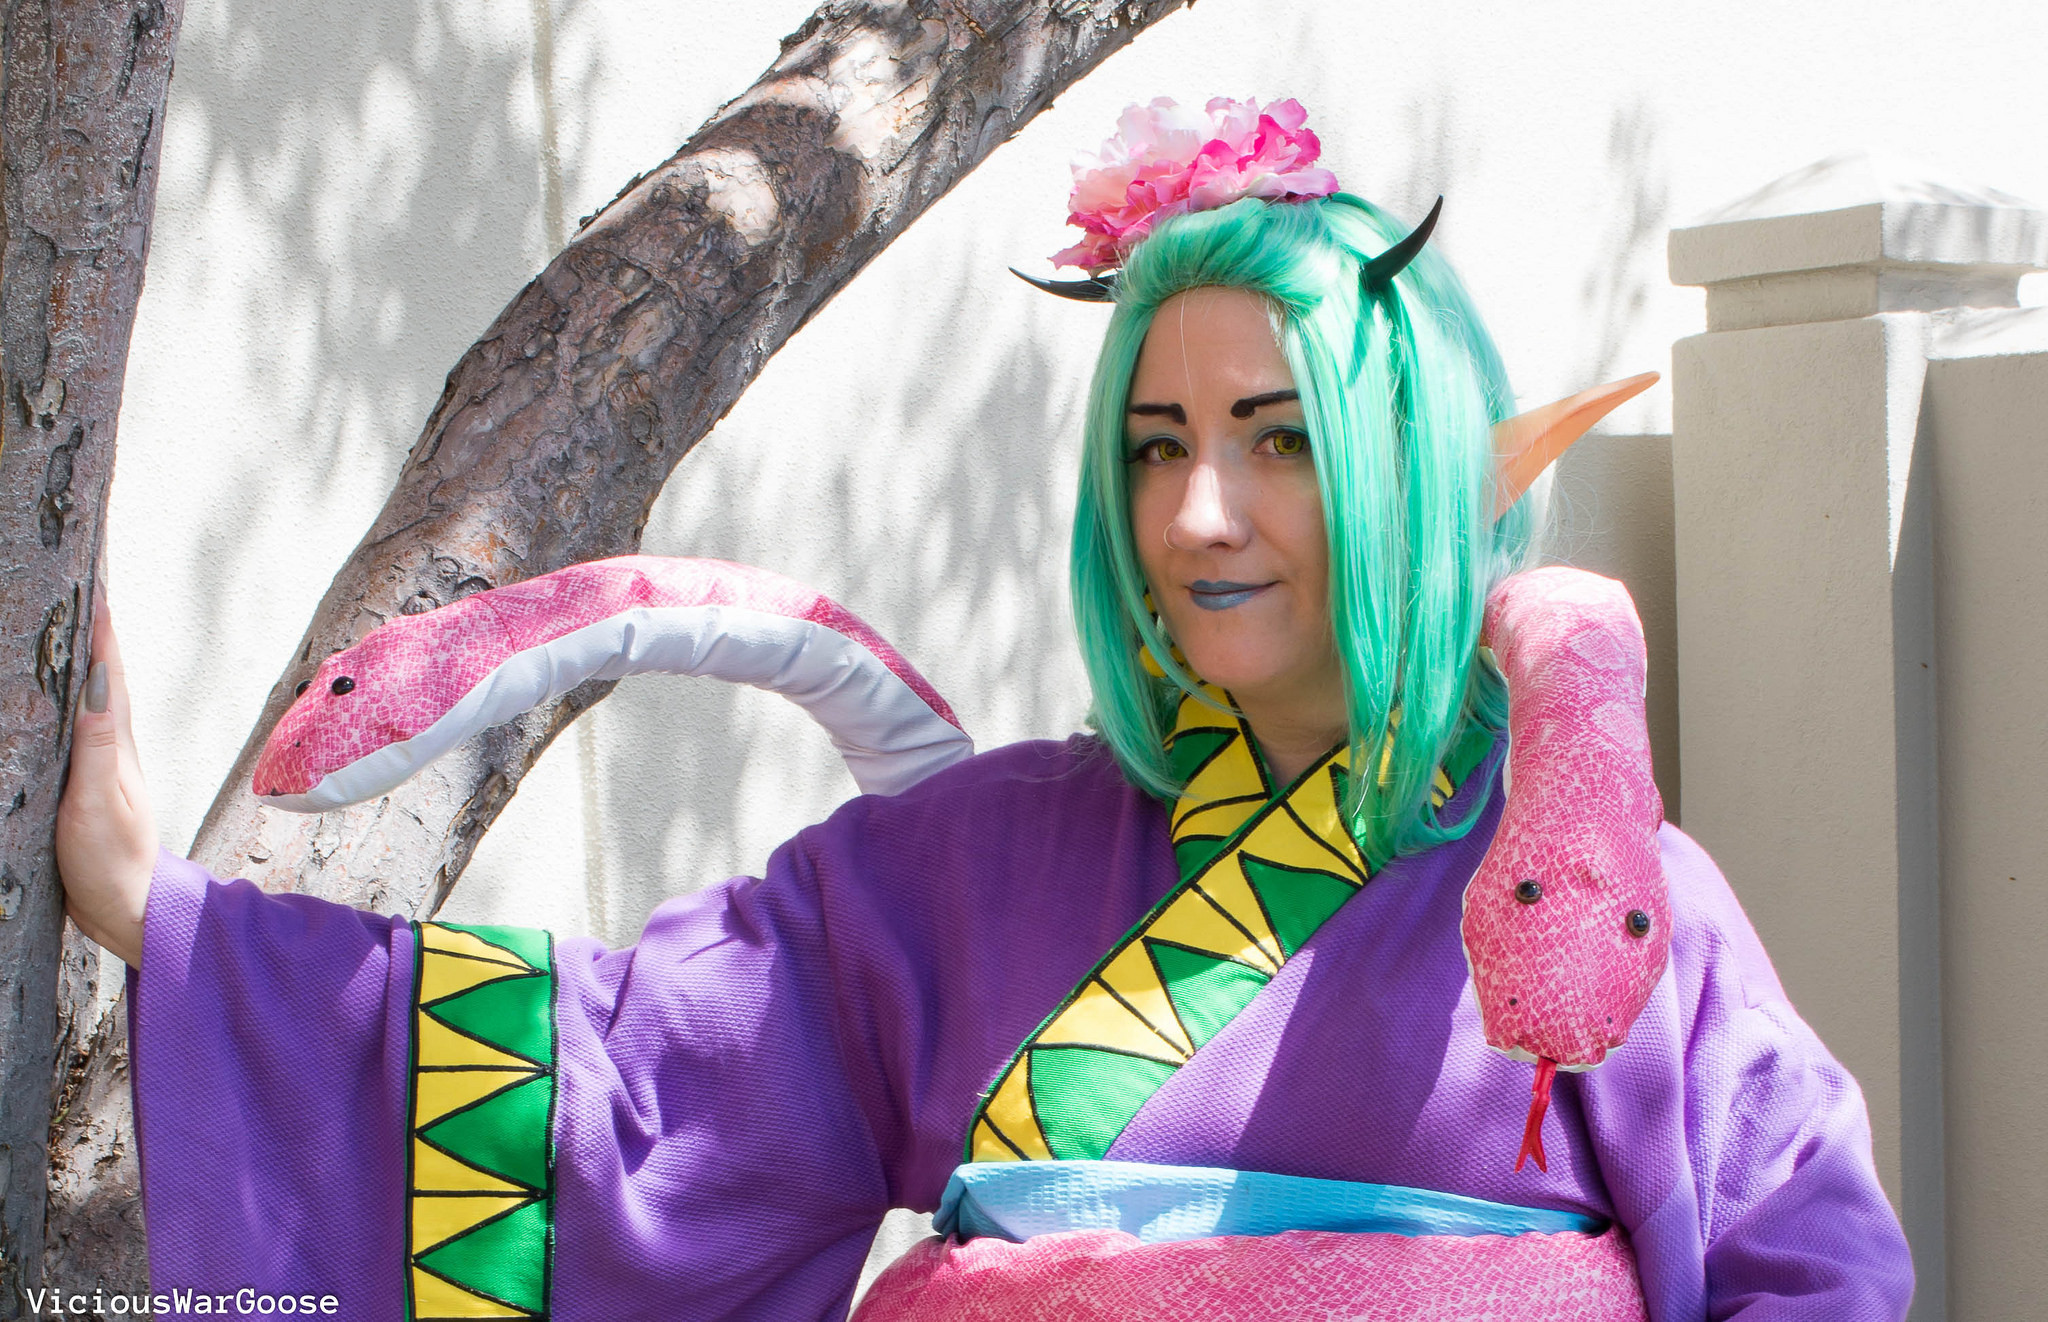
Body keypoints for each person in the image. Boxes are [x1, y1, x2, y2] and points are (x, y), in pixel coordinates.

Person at [56, 97, 1914, 1320]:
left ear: (1408, 465)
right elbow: (634, 1088)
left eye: (1276, 440)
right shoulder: (973, 862)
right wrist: (167, 915)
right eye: (1156, 445)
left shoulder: (1598, 900)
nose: (1199, 514)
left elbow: (1812, 1261)